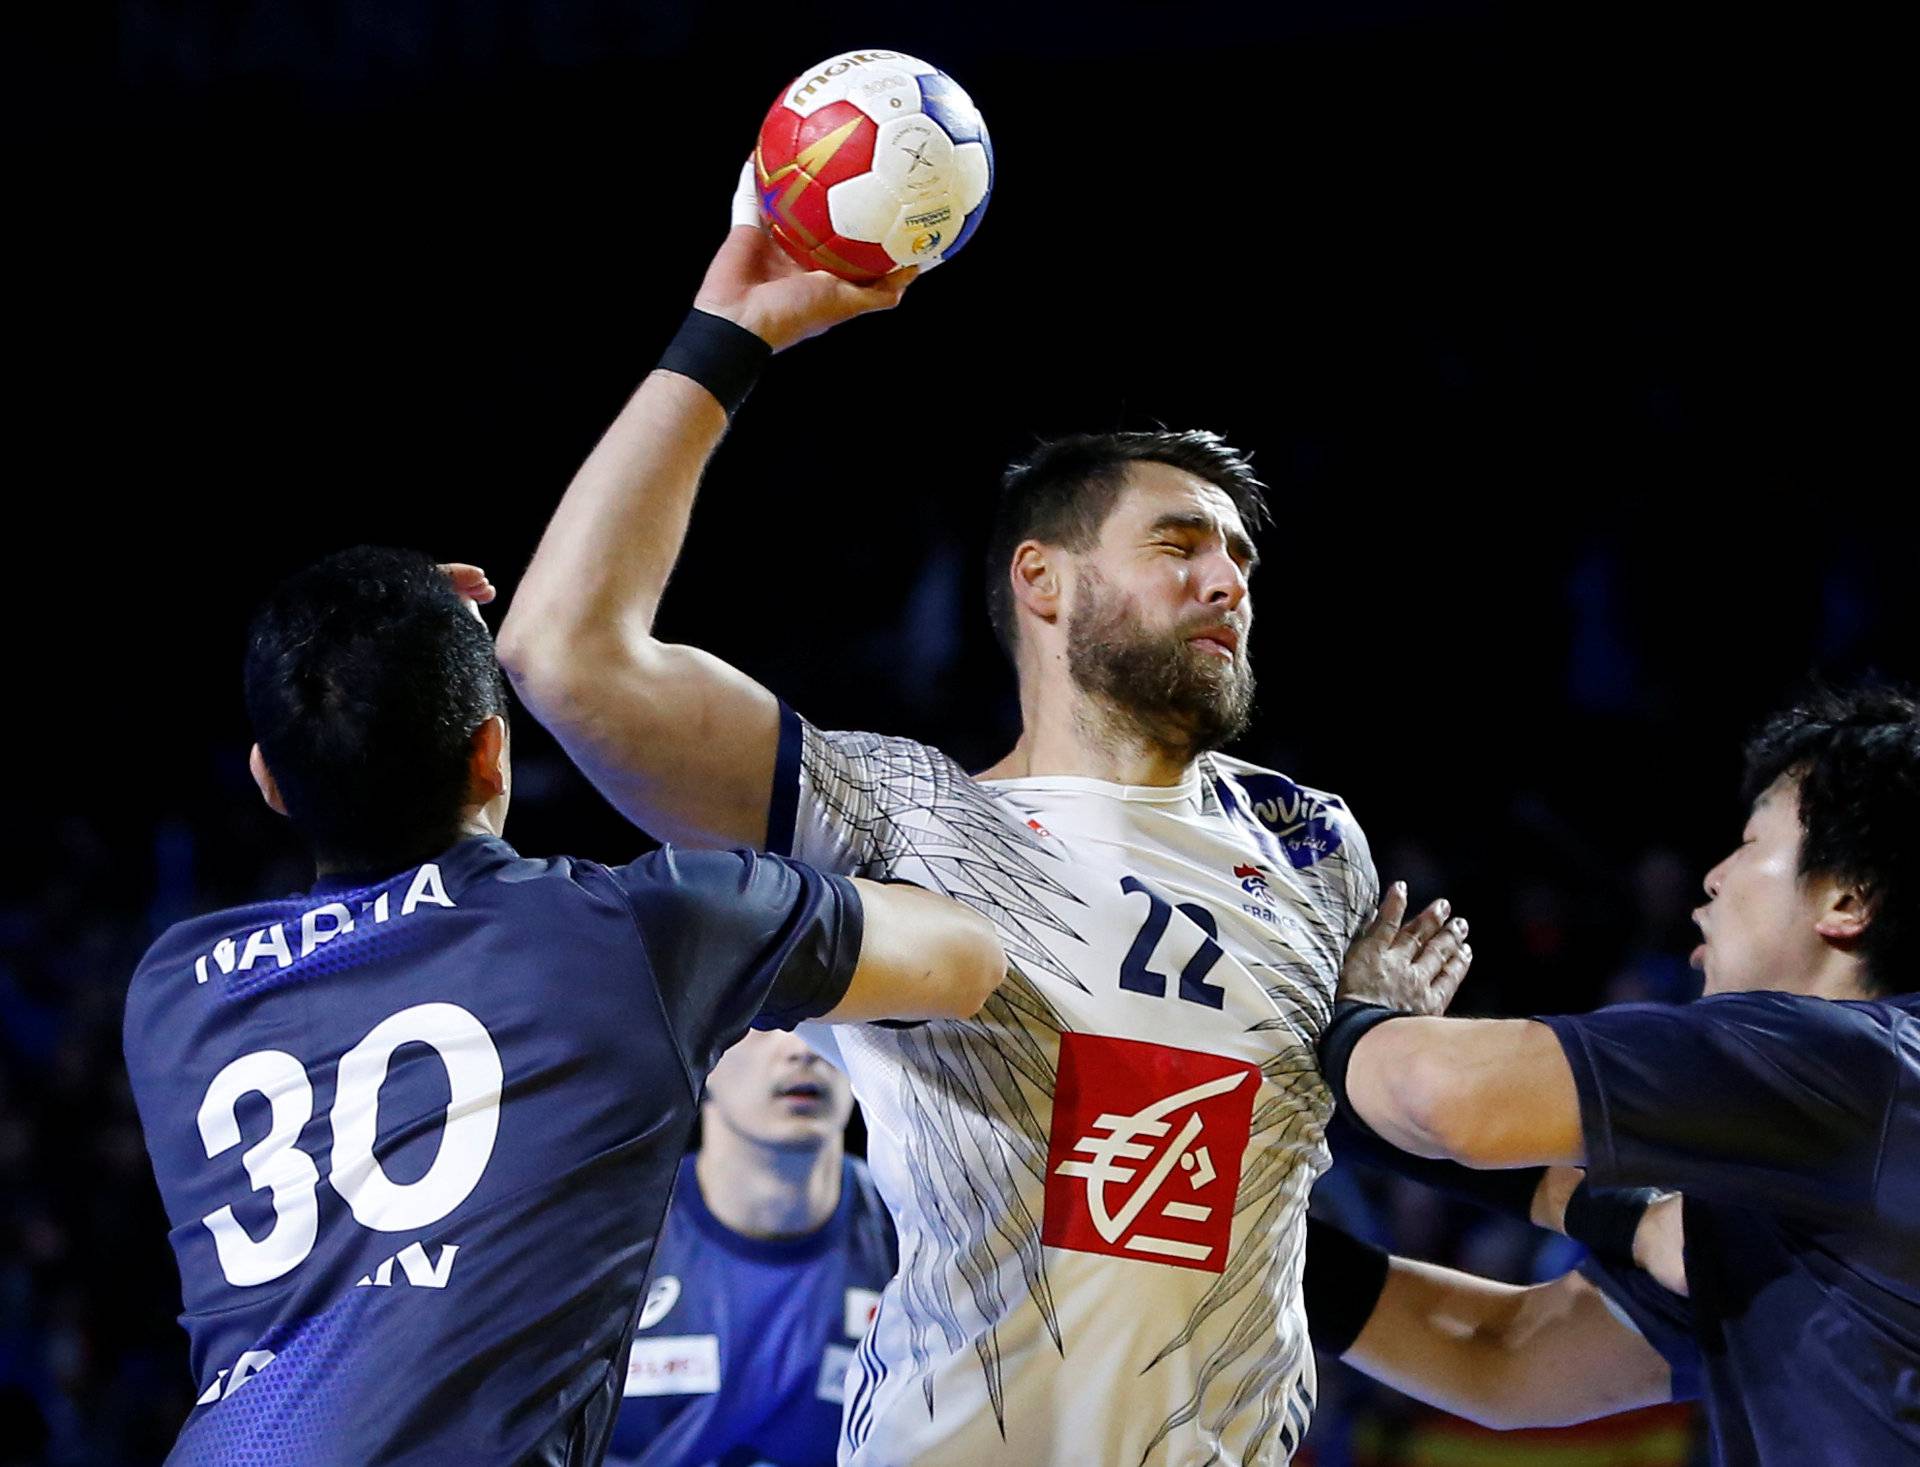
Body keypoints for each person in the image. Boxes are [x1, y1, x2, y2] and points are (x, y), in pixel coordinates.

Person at [496, 192, 1469, 1464]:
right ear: (1042, 581)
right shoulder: (907, 820)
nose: (1227, 580)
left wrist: (1372, 1046)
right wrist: (727, 336)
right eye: (1179, 543)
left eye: (1238, 559)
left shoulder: (1314, 846)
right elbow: (563, 652)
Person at [122, 547, 1004, 1466]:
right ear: (493, 752)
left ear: (269, 781)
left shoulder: (174, 989)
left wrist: (378, 642)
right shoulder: (638, 930)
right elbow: (967, 956)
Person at [1321, 684, 1920, 1463]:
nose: (1714, 876)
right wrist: (1229, 1241)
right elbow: (1504, 1356)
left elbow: (1443, 1096)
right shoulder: (1816, 1168)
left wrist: (1343, 1017)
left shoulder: (1851, 1062)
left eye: (1749, 841)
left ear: (1846, 899)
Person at [606, 1031, 896, 1467]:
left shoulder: (923, 1239)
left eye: (829, 1027)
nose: (803, 1049)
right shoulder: (608, 1240)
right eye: (768, 1023)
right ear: (702, 1051)